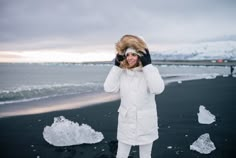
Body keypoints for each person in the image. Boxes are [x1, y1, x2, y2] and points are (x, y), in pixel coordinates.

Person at [104, 34, 165, 158]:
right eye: (127, 55)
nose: (130, 58)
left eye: (134, 54)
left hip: (146, 122)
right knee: (121, 155)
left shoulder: (150, 71)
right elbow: (109, 88)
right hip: (126, 121)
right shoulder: (122, 73)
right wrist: (116, 66)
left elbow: (158, 89)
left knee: (145, 156)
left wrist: (148, 66)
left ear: (141, 55)